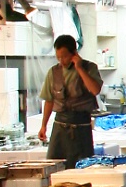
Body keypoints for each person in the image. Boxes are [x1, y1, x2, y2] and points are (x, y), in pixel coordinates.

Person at [38, 34, 103, 162]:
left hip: (81, 126)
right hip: (60, 125)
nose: (61, 61)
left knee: (81, 165)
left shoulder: (89, 67)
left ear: (74, 53)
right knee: (55, 164)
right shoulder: (53, 72)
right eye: (58, 57)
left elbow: (95, 90)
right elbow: (49, 101)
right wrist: (43, 125)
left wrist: (79, 68)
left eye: (65, 56)